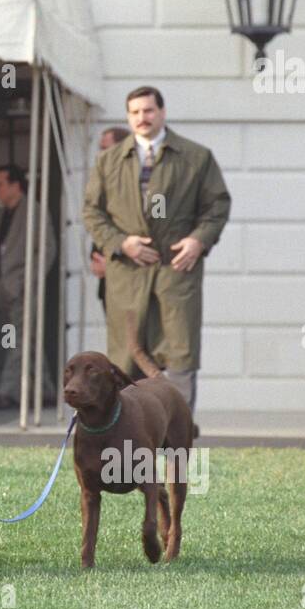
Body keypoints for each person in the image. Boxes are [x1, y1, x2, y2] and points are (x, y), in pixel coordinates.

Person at [82, 86, 230, 411]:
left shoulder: (196, 157)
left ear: (162, 112)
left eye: (148, 111)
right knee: (124, 363)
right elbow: (92, 212)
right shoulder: (109, 161)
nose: (142, 118)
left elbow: (217, 205)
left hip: (176, 273)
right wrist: (122, 243)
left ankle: (176, 449)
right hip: (127, 277)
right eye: (134, 112)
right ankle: (128, 450)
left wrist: (198, 240)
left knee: (178, 358)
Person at [0, 163, 56, 409]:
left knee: (18, 339)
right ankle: (46, 389)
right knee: (26, 338)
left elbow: (46, 249)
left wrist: (28, 279)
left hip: (24, 286)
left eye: (0, 184)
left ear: (16, 185)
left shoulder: (33, 211)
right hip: (5, 289)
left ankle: (7, 390)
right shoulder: (1, 214)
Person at [89, 126, 131, 313]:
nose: (101, 156)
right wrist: (95, 259)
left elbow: (151, 235)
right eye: (100, 149)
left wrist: (114, 265)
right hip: (108, 285)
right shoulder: (105, 186)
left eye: (106, 149)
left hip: (131, 285)